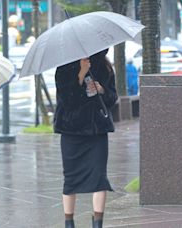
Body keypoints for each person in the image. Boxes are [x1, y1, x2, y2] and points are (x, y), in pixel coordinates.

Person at [54, 49, 117, 228]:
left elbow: (113, 98)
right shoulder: (64, 67)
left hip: (96, 131)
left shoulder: (104, 67)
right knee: (71, 178)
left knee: (99, 177)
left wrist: (102, 89)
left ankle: (97, 223)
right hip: (71, 131)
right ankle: (69, 222)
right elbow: (66, 100)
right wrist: (81, 74)